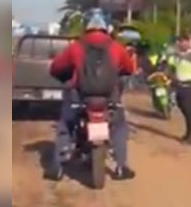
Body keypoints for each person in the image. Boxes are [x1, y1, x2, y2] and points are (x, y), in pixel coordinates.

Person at [49, 14, 137, 180]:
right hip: (109, 97)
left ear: (87, 28)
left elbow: (56, 67)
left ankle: (57, 167)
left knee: (65, 125)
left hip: (80, 96)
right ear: (106, 29)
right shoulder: (116, 47)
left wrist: (66, 78)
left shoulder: (76, 46)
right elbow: (129, 68)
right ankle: (121, 166)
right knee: (119, 126)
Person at [170, 34, 191, 145]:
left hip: (190, 85)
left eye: (181, 42)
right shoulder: (180, 55)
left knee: (190, 111)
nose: (179, 44)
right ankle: (189, 133)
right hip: (180, 85)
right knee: (183, 107)